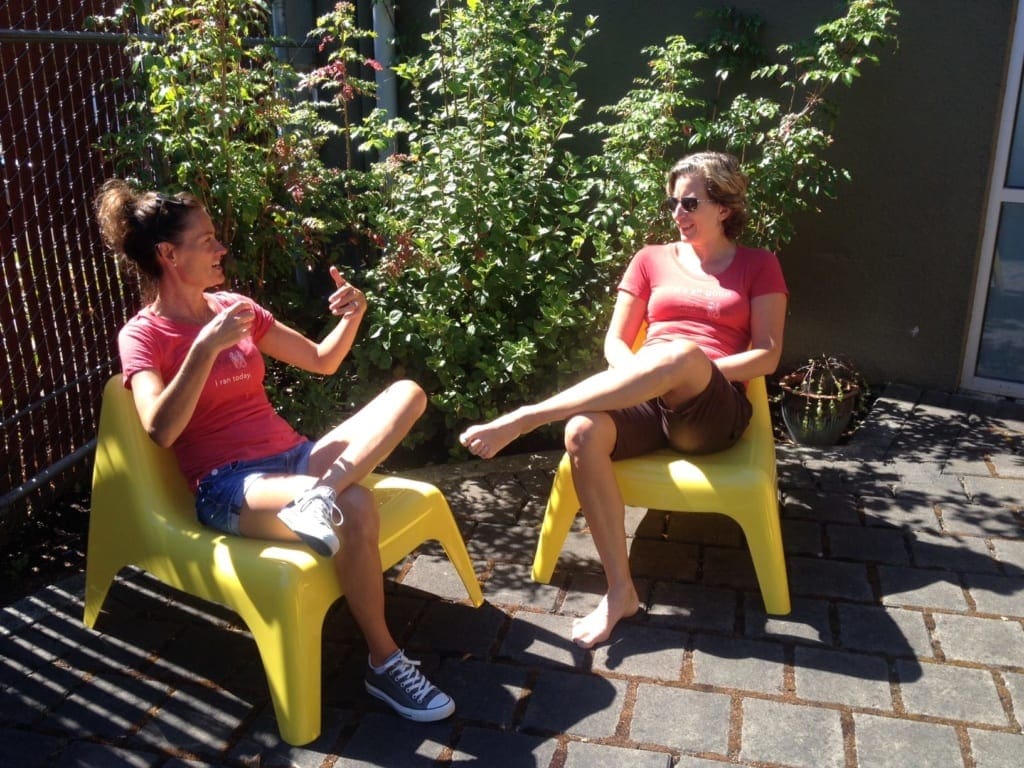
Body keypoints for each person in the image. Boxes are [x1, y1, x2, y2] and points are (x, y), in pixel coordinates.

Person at [95, 180, 454, 723]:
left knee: (409, 394)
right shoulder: (143, 336)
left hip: (295, 460)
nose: (220, 250)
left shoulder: (235, 307)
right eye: (207, 240)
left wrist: (352, 315)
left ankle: (322, 495)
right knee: (355, 509)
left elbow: (321, 359)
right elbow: (160, 429)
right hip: (229, 486)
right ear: (169, 255)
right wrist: (203, 348)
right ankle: (385, 661)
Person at [460, 152, 788, 649]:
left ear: (724, 206)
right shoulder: (650, 259)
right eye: (672, 201)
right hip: (647, 391)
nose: (677, 212)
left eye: (690, 202)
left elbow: (766, 355)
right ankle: (620, 592)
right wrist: (649, 374)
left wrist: (687, 370)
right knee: (583, 432)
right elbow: (616, 343)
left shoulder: (759, 265)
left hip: (710, 410)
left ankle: (527, 418)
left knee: (680, 354)